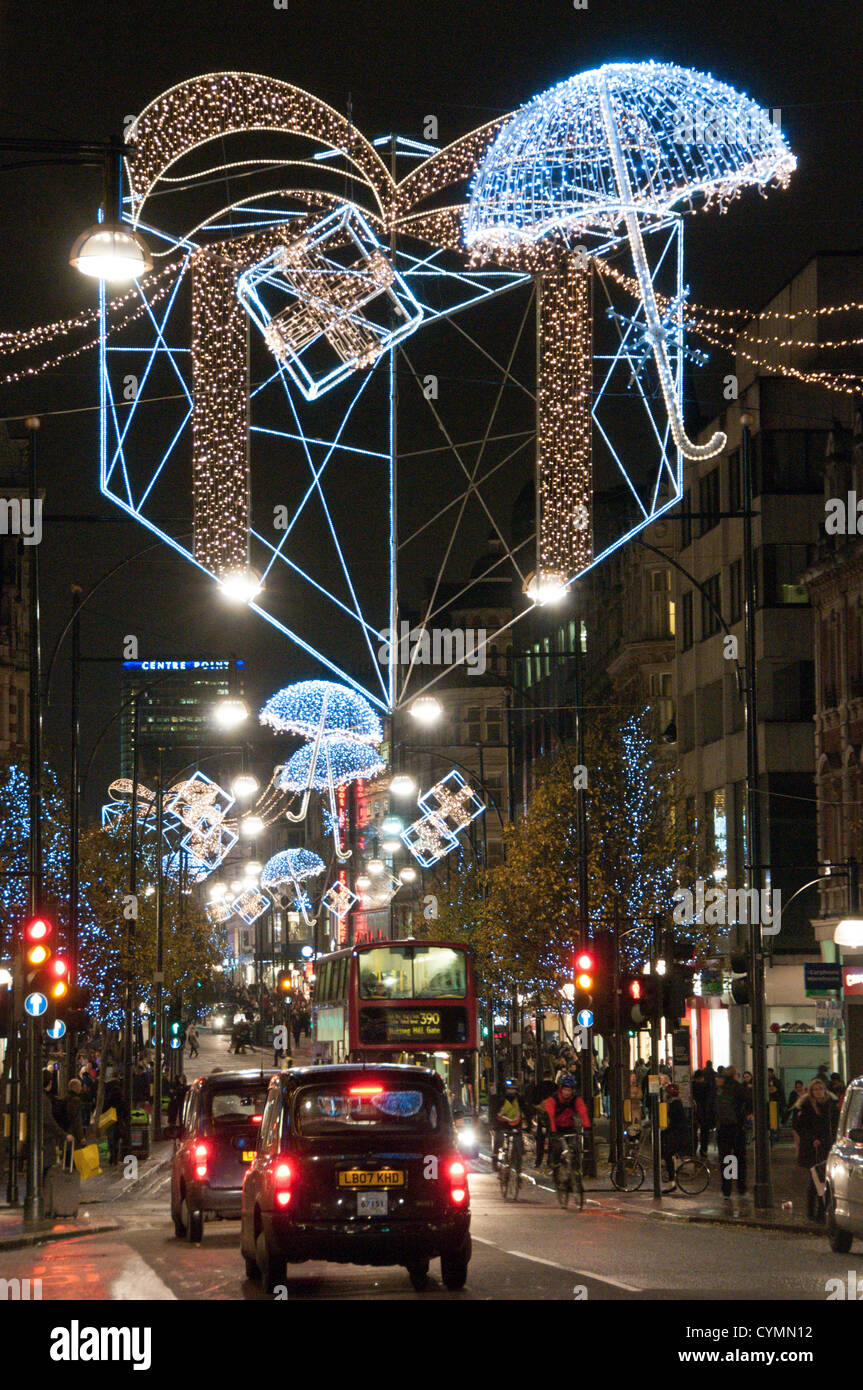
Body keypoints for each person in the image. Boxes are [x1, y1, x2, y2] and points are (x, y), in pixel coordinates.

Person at [792, 1078, 839, 1222]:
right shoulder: (805, 1107)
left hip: (826, 1146)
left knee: (823, 1179)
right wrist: (812, 1139)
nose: (818, 1092)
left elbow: (835, 1124)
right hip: (812, 1148)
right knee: (815, 1179)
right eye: (815, 1089)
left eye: (820, 1089)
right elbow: (800, 1126)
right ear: (811, 1092)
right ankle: (815, 1212)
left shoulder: (831, 1106)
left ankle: (819, 1212)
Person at [542, 1075, 591, 1185]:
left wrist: (587, 1126)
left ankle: (576, 1171)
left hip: (570, 1127)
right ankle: (555, 1169)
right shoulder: (553, 1099)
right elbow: (550, 1115)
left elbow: (582, 1111)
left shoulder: (575, 1099)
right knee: (557, 1149)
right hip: (557, 1128)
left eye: (569, 1090)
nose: (567, 1093)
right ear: (561, 1089)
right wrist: (553, 1131)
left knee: (575, 1149)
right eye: (565, 1090)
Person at [715, 1065, 750, 1198]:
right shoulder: (739, 1088)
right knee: (739, 1158)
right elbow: (749, 1101)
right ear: (735, 1075)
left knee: (727, 1158)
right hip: (737, 1127)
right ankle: (741, 1187)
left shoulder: (720, 1089)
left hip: (723, 1128)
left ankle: (726, 1189)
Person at [42, 1073, 74, 1177]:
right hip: (45, 1138)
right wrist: (63, 1134)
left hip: (40, 1137)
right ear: (50, 1083)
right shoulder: (45, 1100)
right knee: (46, 1164)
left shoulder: (36, 1096)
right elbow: (48, 1120)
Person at [661, 1083, 691, 1182]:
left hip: (679, 1135)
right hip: (680, 1133)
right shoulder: (676, 1103)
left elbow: (675, 1122)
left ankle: (671, 1180)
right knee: (668, 1153)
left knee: (668, 1155)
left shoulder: (674, 1104)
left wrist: (665, 1131)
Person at [492, 1080, 524, 1172]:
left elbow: (526, 1110)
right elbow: (494, 1112)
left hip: (515, 1126)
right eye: (509, 1089)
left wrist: (528, 1124)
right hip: (501, 1126)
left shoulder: (519, 1099)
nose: (511, 1091)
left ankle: (518, 1167)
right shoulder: (499, 1099)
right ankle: (495, 1159)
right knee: (498, 1140)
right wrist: (494, 1125)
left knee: (518, 1143)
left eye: (514, 1089)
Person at [691, 1068, 715, 1158]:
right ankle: (703, 1150)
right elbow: (710, 1100)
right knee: (704, 1132)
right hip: (705, 1112)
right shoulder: (708, 1086)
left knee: (694, 1130)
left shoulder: (692, 1086)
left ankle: (693, 1149)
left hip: (695, 1111)